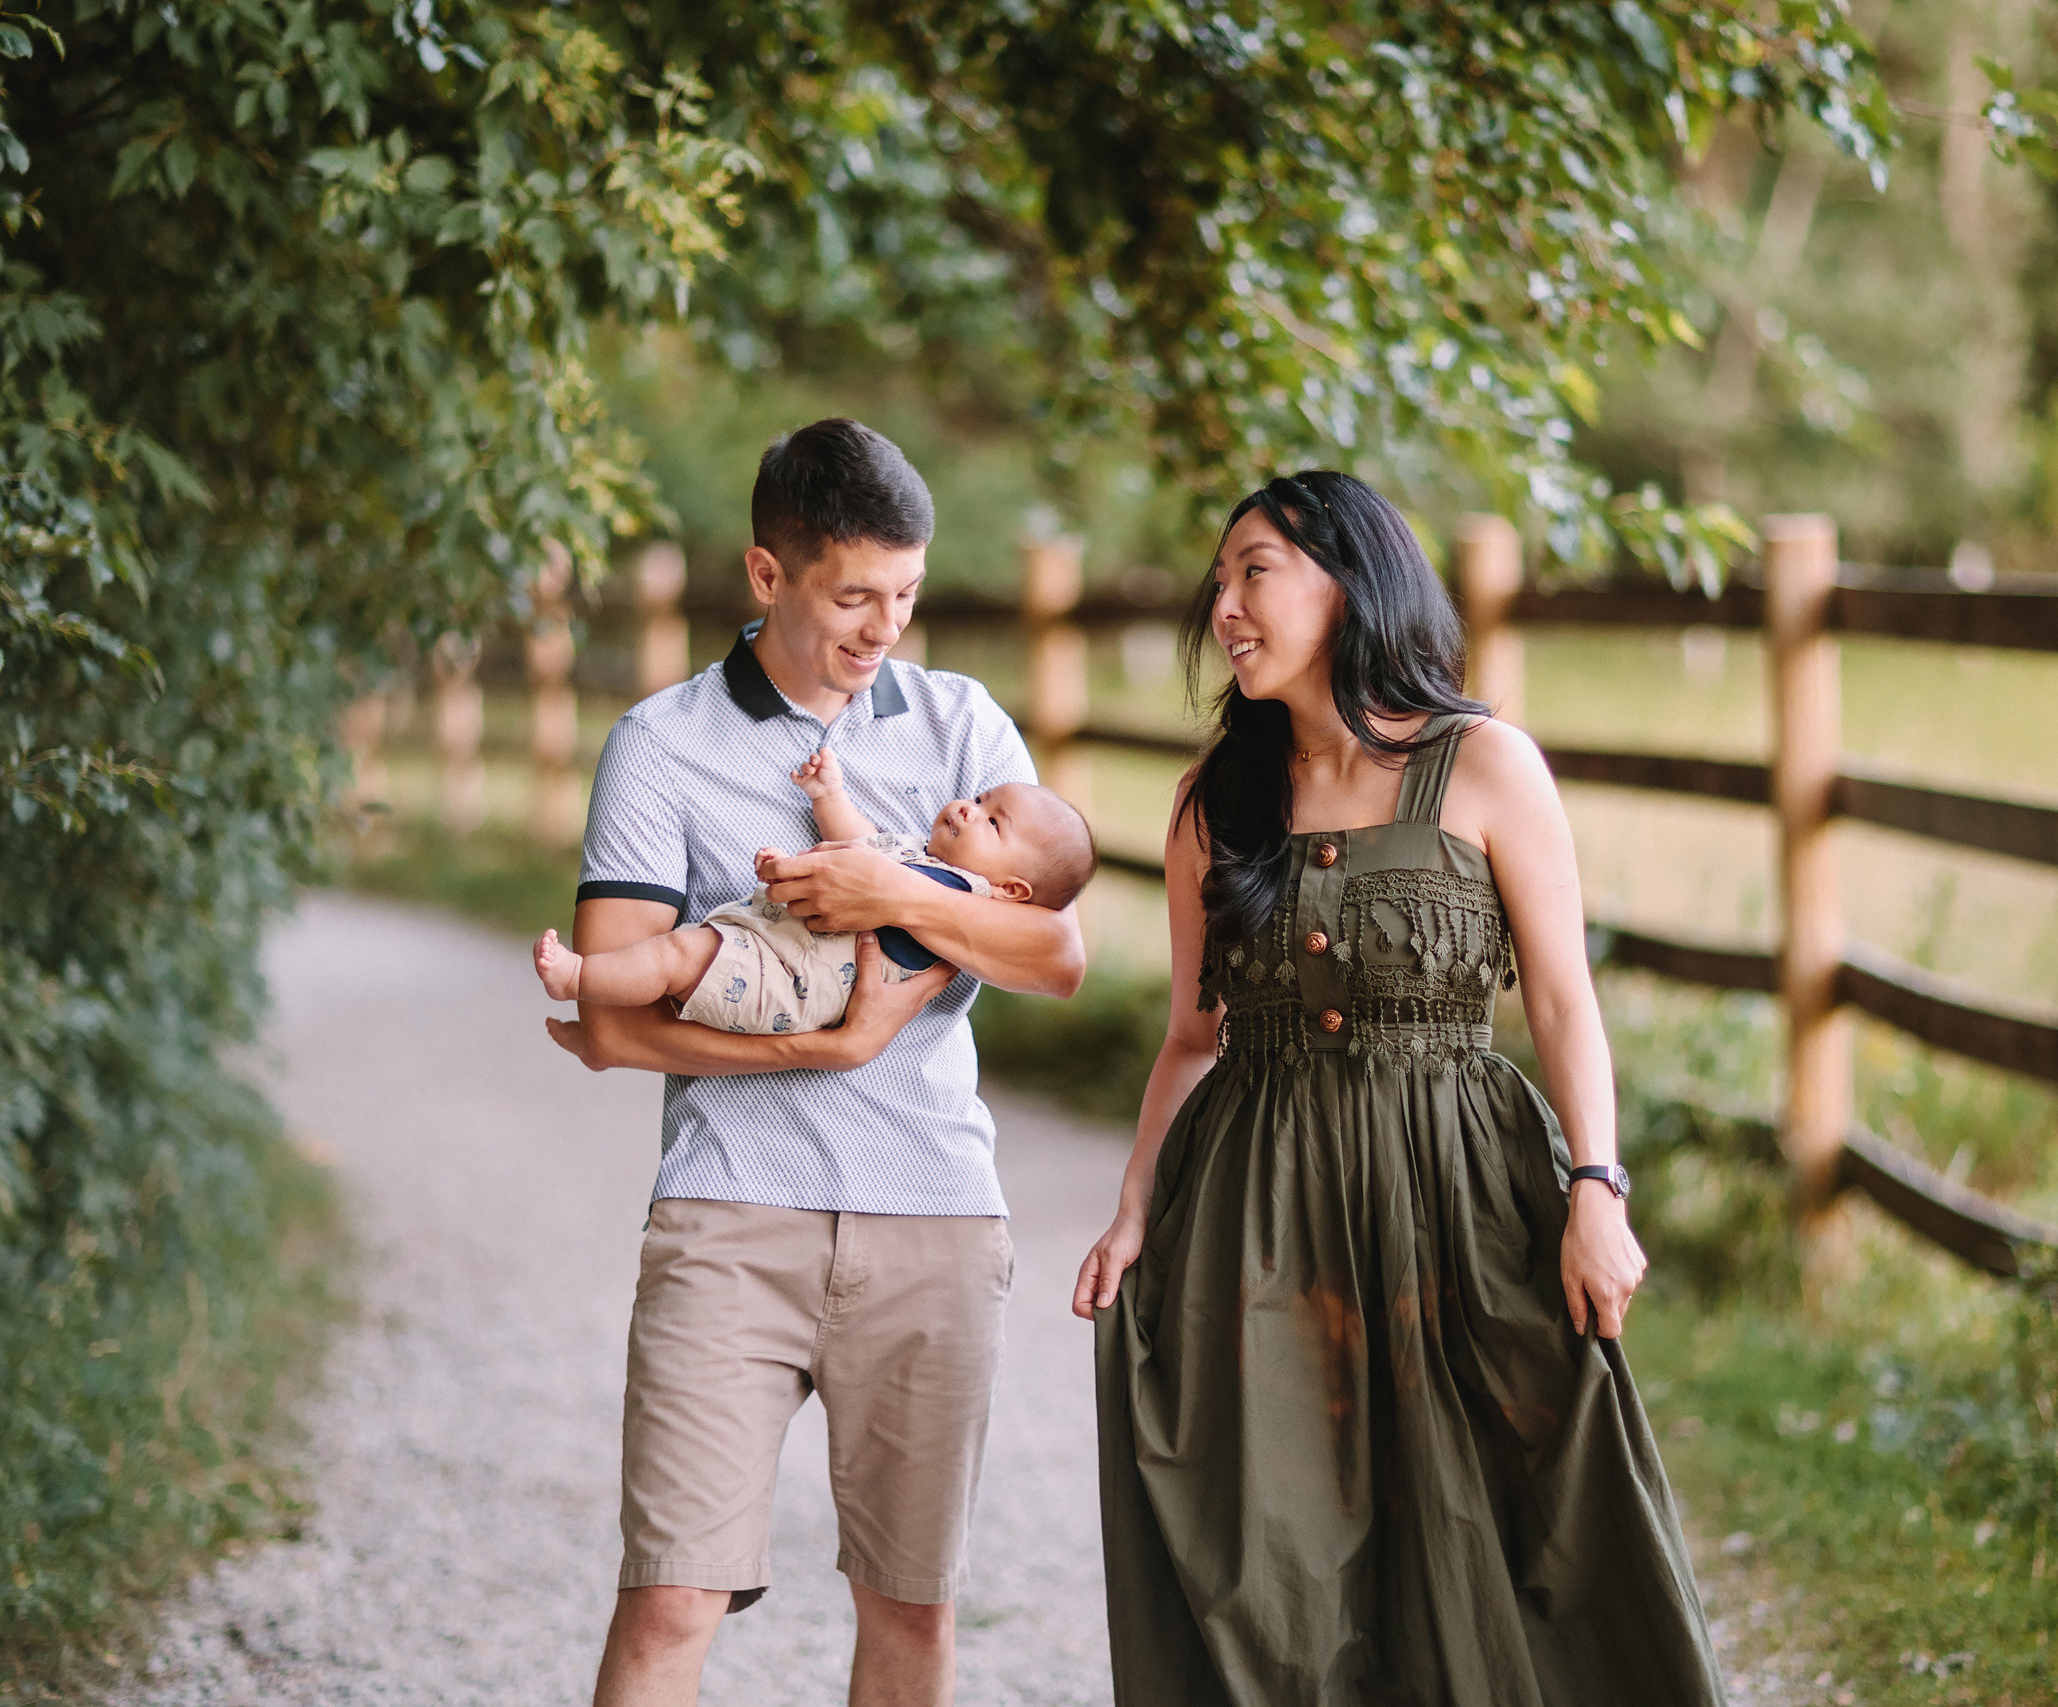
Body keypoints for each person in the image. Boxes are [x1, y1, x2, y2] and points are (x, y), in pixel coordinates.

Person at [1075, 471, 1727, 1705]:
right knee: (1275, 1557)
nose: (1224, 607)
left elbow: (1562, 1002)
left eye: (1255, 572)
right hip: (1262, 1214)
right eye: (1218, 582)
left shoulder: (1485, 764)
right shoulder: (1214, 804)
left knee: (1504, 1517)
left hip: (1462, 1201)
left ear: (1350, 582)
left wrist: (1597, 1188)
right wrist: (1132, 1209)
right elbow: (1191, 1038)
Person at [554, 418, 1084, 1707]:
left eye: (905, 594)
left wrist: (883, 889)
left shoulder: (962, 725)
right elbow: (611, 1019)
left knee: (911, 1604)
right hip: (731, 1211)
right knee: (670, 1596)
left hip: (934, 1214)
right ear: (767, 573)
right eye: (854, 596)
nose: (883, 627)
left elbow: (1054, 954)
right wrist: (829, 1043)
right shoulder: (660, 744)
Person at [533, 749, 1096, 1035]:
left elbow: (862, 882)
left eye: (993, 822)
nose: (969, 809)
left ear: (1011, 889)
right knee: (678, 956)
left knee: (676, 954)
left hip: (788, 982)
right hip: (772, 952)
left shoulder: (955, 894)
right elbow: (860, 847)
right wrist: (828, 797)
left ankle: (580, 980)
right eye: (979, 797)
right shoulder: (919, 856)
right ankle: (596, 1021)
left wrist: (793, 870)